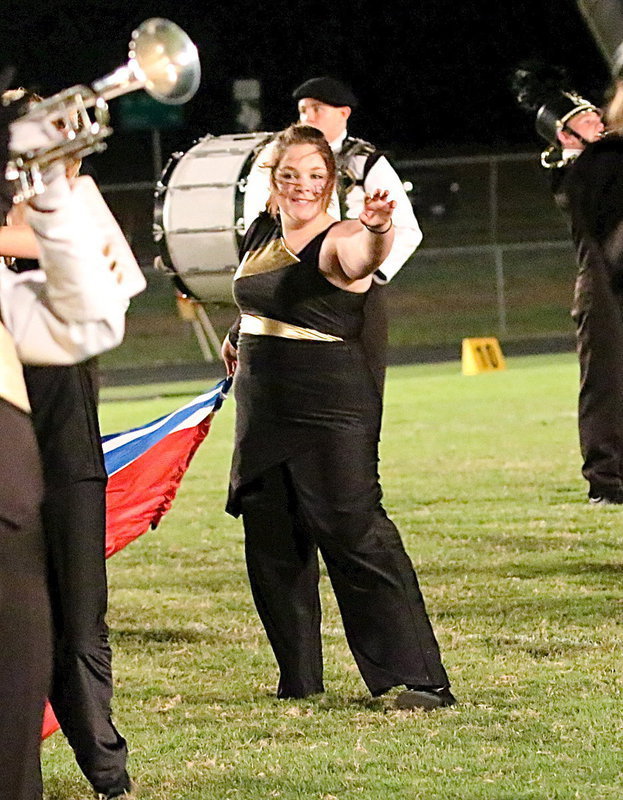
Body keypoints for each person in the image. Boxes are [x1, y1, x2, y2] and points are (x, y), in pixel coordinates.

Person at [223, 124, 454, 710]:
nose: (302, 186)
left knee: (355, 535)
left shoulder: (340, 234)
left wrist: (378, 229)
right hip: (264, 404)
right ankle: (298, 678)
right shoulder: (261, 232)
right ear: (271, 180)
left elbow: (359, 261)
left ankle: (417, 680)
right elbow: (267, 298)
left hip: (327, 406)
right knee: (272, 539)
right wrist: (239, 335)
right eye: (289, 175)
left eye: (315, 176)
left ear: (332, 182)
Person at [0, 87, 142, 800]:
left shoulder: (74, 198)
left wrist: (43, 205)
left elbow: (113, 291)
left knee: (79, 620)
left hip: (65, 436)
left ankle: (106, 771)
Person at [241, 77, 422, 394]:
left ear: (344, 113)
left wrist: (367, 273)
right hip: (293, 293)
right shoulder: (277, 160)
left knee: (358, 387)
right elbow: (260, 221)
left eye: (317, 109)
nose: (307, 117)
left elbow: (407, 228)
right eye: (303, 110)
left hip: (355, 295)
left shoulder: (364, 161)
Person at [513, 66, 621, 504]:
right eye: (585, 118)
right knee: (607, 384)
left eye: (597, 113)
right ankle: (607, 479)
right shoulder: (576, 172)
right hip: (603, 288)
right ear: (565, 136)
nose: (598, 120)